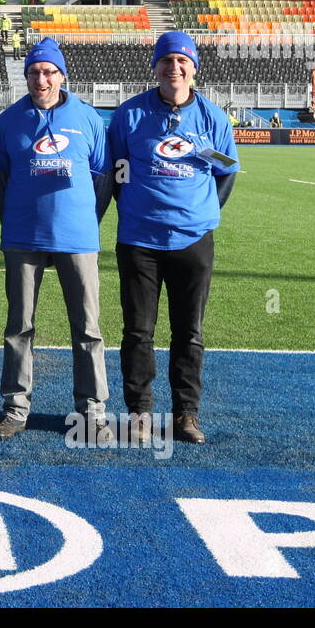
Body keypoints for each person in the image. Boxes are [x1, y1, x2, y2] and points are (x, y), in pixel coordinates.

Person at [102, 31, 239, 445]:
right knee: (138, 332)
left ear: (194, 68)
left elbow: (226, 171)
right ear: (155, 67)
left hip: (193, 240)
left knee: (190, 332)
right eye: (166, 61)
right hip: (140, 240)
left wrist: (200, 214)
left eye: (182, 61)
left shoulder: (214, 118)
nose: (174, 68)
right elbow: (116, 173)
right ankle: (140, 413)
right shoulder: (129, 115)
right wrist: (140, 209)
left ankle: (186, 416)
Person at [0, 38, 113, 441]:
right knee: (18, 327)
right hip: (24, 238)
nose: (41, 78)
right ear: (25, 76)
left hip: (78, 238)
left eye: (49, 71)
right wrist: (14, 220)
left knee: (88, 327)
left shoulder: (90, 118)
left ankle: (93, 412)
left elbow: (102, 178)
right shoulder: (8, 122)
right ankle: (16, 408)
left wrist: (85, 219)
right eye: (34, 72)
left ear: (62, 75)